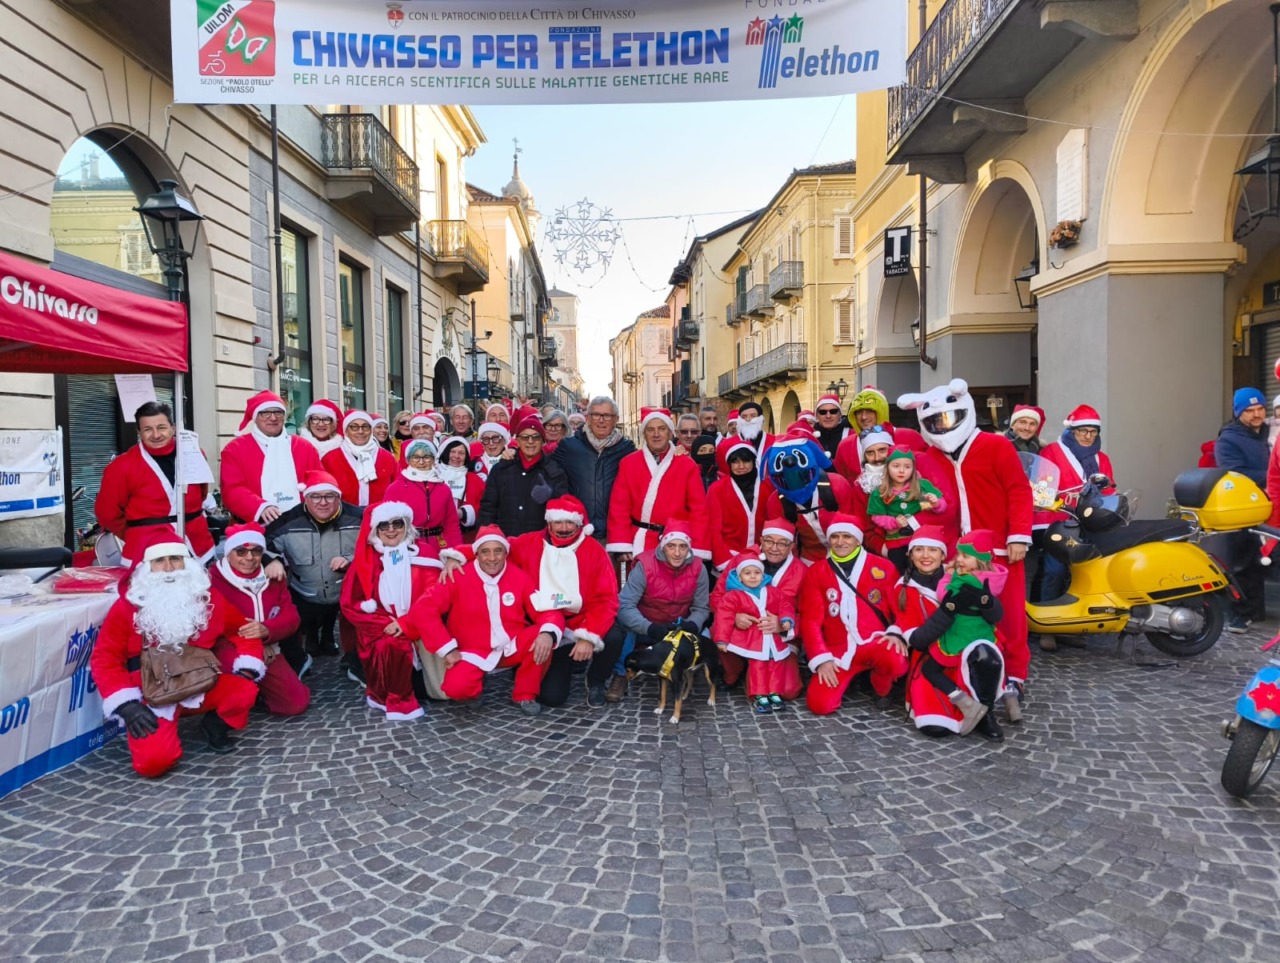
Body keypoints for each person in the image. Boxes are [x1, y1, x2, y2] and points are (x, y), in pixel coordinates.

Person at [898, 379, 1033, 718]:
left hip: (999, 551)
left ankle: (1014, 675)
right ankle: (971, 672)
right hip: (955, 558)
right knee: (963, 617)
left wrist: (1019, 535)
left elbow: (1019, 490)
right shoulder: (928, 458)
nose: (943, 427)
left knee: (1010, 616)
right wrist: (940, 552)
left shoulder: (996, 446)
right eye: (935, 422)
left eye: (947, 419)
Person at [90, 527, 263, 777]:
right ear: (146, 567)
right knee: (154, 764)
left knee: (244, 690)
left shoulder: (208, 598)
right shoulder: (127, 606)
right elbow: (105, 658)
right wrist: (126, 704)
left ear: (186, 563)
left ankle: (213, 725)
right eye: (160, 560)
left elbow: (242, 629)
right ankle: (163, 735)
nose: (169, 568)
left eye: (175, 559)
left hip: (200, 682)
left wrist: (248, 666)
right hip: (149, 693)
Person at [478, 495, 622, 709]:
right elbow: (493, 549)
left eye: (570, 522)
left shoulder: (594, 551)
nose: (564, 528)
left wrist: (589, 636)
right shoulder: (528, 543)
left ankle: (596, 680)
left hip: (580, 620)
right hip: (545, 626)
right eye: (558, 522)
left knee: (615, 635)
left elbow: (607, 600)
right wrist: (458, 556)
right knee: (551, 698)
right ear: (549, 522)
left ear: (579, 523)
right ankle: (561, 664)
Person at [404, 525, 565, 714]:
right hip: (472, 650)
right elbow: (423, 610)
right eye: (485, 552)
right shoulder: (457, 576)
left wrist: (547, 632)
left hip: (510, 645)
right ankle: (474, 687)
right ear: (477, 554)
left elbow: (544, 610)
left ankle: (525, 693)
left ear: (506, 553)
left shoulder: (519, 577)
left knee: (543, 636)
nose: (492, 558)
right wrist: (447, 649)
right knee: (456, 689)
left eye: (498, 551)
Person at [891, 527, 1006, 740]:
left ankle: (986, 713)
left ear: (944, 555)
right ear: (910, 554)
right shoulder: (903, 590)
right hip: (932, 655)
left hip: (968, 650)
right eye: (919, 550)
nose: (926, 556)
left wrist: (986, 602)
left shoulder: (963, 573)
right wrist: (948, 610)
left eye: (933, 550)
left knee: (984, 653)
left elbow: (995, 615)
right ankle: (965, 705)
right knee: (936, 728)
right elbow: (917, 640)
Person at [797, 515, 908, 715]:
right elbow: (810, 620)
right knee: (820, 705)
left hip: (875, 641)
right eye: (835, 537)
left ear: (858, 540)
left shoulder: (883, 567)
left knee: (896, 660)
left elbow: (900, 609)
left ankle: (880, 686)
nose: (840, 542)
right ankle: (853, 676)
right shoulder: (817, 571)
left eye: (847, 536)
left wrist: (896, 633)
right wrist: (821, 659)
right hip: (838, 650)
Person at [341, 501, 440, 721]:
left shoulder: (424, 553)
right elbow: (350, 605)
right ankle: (397, 700)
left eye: (397, 523)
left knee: (438, 691)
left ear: (407, 525)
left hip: (419, 626)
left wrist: (409, 623)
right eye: (384, 526)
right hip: (382, 630)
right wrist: (386, 625)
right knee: (392, 644)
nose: (392, 530)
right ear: (375, 530)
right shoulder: (364, 563)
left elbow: (435, 597)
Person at [264, 470, 364, 682]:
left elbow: (380, 543)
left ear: (339, 497)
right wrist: (272, 560)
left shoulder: (359, 518)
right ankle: (298, 659)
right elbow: (260, 543)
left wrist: (352, 561)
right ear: (305, 498)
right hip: (304, 592)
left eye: (330, 496)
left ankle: (356, 658)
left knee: (364, 616)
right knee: (288, 618)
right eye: (316, 496)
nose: (323, 502)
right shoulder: (289, 520)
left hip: (346, 591)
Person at [95, 401, 216, 565]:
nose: (156, 435)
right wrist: (137, 532)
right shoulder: (121, 466)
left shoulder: (194, 453)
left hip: (197, 545)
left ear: (173, 428)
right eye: (147, 429)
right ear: (139, 432)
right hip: (146, 551)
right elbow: (108, 513)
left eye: (161, 427)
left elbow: (201, 494)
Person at [606, 516, 712, 703]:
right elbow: (625, 605)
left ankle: (688, 671)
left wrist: (693, 624)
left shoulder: (698, 568)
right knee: (624, 628)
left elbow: (701, 607)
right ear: (663, 546)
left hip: (679, 627)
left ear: (689, 548)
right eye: (672, 546)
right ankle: (621, 674)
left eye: (683, 546)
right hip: (647, 625)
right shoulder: (645, 565)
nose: (677, 553)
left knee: (706, 635)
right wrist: (648, 627)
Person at [209, 523, 311, 714]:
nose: (249, 557)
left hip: (269, 647)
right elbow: (214, 624)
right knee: (232, 691)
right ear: (228, 553)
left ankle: (259, 695)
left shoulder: (273, 577)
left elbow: (291, 617)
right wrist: (256, 646)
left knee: (296, 703)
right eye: (240, 551)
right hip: (228, 649)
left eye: (256, 551)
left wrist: (267, 630)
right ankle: (219, 718)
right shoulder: (212, 579)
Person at [607, 407, 709, 563]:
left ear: (670, 433)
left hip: (676, 543)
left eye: (661, 429)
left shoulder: (687, 465)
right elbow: (619, 507)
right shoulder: (629, 463)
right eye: (650, 430)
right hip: (638, 541)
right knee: (638, 586)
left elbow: (699, 510)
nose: (656, 434)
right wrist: (622, 544)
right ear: (644, 434)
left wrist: (696, 546)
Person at [713, 554, 800, 714]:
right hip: (754, 639)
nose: (753, 576)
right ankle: (759, 694)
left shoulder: (772, 591)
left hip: (773, 639)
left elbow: (785, 603)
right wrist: (722, 639)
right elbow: (724, 616)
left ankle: (775, 693)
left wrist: (786, 619)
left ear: (763, 574)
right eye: (747, 573)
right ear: (739, 577)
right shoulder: (734, 595)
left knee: (776, 665)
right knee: (758, 667)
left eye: (757, 572)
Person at [220, 390, 322, 523]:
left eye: (278, 412)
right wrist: (259, 507)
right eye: (265, 412)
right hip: (254, 527)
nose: (273, 418)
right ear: (255, 417)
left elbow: (320, 481)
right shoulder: (235, 449)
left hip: (301, 525)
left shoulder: (304, 447)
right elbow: (231, 489)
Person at [552, 395, 637, 545]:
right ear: (588, 418)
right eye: (596, 414)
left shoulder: (626, 449)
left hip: (612, 533)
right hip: (577, 531)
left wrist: (674, 451)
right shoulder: (569, 447)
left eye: (607, 415)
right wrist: (512, 452)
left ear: (616, 419)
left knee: (609, 569)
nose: (601, 420)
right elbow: (545, 468)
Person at [1219, 387, 1270, 632]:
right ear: (1239, 412)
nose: (1256, 414)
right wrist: (1272, 477)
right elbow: (1235, 473)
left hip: (1272, 506)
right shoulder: (1228, 439)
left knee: (1264, 560)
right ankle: (1239, 615)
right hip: (1242, 509)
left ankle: (1257, 610)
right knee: (1242, 562)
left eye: (1260, 408)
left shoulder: (1271, 433)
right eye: (1249, 410)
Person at [763, 433, 856, 564]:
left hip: (847, 554)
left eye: (801, 475)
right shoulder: (776, 501)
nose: (794, 480)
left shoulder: (837, 485)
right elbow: (785, 541)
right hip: (809, 559)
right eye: (787, 477)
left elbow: (854, 523)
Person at [479, 414, 569, 536]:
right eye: (525, 437)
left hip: (540, 542)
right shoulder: (501, 469)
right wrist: (487, 535)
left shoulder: (554, 471)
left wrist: (551, 495)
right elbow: (488, 508)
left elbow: (564, 509)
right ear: (518, 441)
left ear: (543, 441)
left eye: (535, 437)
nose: (530, 442)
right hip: (506, 541)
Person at [867, 447, 947, 572]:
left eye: (907, 467)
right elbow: (876, 516)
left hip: (921, 540)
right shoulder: (880, 492)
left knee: (925, 571)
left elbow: (942, 508)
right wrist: (894, 522)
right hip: (896, 540)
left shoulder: (922, 485)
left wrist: (936, 503)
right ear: (887, 467)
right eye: (896, 466)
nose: (902, 471)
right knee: (900, 572)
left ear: (913, 468)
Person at [383, 438, 462, 562]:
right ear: (408, 460)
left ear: (433, 459)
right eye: (416, 457)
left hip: (439, 547)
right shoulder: (395, 488)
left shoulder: (443, 488)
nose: (421, 462)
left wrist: (455, 552)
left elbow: (451, 524)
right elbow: (387, 525)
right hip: (409, 547)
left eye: (426, 457)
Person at [706, 440, 774, 572]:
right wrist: (724, 561)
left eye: (746, 461)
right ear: (729, 464)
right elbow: (713, 529)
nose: (741, 466)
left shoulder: (768, 486)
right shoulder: (717, 489)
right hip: (730, 558)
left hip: (764, 557)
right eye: (735, 461)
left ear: (753, 461)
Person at [322, 409, 398, 508]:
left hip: (381, 517)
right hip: (343, 517)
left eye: (365, 427)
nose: (360, 431)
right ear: (346, 431)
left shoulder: (387, 457)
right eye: (354, 427)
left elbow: (397, 488)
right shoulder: (330, 458)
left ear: (371, 430)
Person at [434, 436, 485, 540]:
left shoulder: (475, 479)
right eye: (452, 452)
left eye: (461, 453)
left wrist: (465, 513)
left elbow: (485, 506)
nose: (456, 456)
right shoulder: (433, 477)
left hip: (467, 536)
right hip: (437, 535)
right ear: (445, 452)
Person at [715, 401, 773, 474]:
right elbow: (723, 473)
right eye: (743, 417)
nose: (748, 419)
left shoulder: (774, 442)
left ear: (761, 419)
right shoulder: (725, 446)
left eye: (753, 416)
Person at [812, 392, 853, 463]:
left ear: (840, 414)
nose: (828, 416)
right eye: (823, 412)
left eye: (833, 411)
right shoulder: (809, 435)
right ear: (817, 415)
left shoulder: (851, 434)